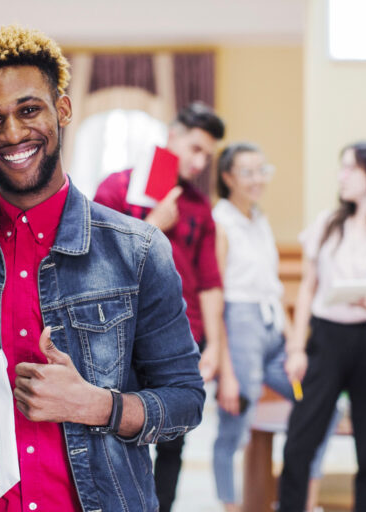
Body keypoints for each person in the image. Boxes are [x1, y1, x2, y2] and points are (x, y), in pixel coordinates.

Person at [0, 25, 205, 512]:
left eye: (29, 109)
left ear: (62, 110)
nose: (13, 133)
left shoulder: (138, 251)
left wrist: (96, 405)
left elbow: (186, 399)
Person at [94, 102, 240, 512]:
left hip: (183, 337)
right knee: (118, 432)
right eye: (194, 148)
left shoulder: (200, 207)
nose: (198, 162)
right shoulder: (116, 190)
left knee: (174, 439)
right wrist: (153, 225)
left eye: (206, 156)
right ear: (171, 136)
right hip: (122, 334)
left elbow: (210, 283)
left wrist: (215, 346)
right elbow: (95, 266)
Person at [279, 142, 366, 512]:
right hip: (327, 337)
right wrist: (297, 348)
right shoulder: (327, 224)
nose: (342, 175)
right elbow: (307, 288)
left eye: (351, 168)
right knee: (298, 442)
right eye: (342, 167)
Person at [212, 143, 339, 512]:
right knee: (234, 426)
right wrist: (228, 371)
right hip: (240, 327)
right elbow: (216, 294)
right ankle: (231, 506)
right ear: (228, 177)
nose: (256, 179)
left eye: (261, 170)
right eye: (247, 172)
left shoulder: (259, 219)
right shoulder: (220, 221)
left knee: (320, 402)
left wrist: (294, 342)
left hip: (271, 325)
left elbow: (272, 287)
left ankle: (300, 499)